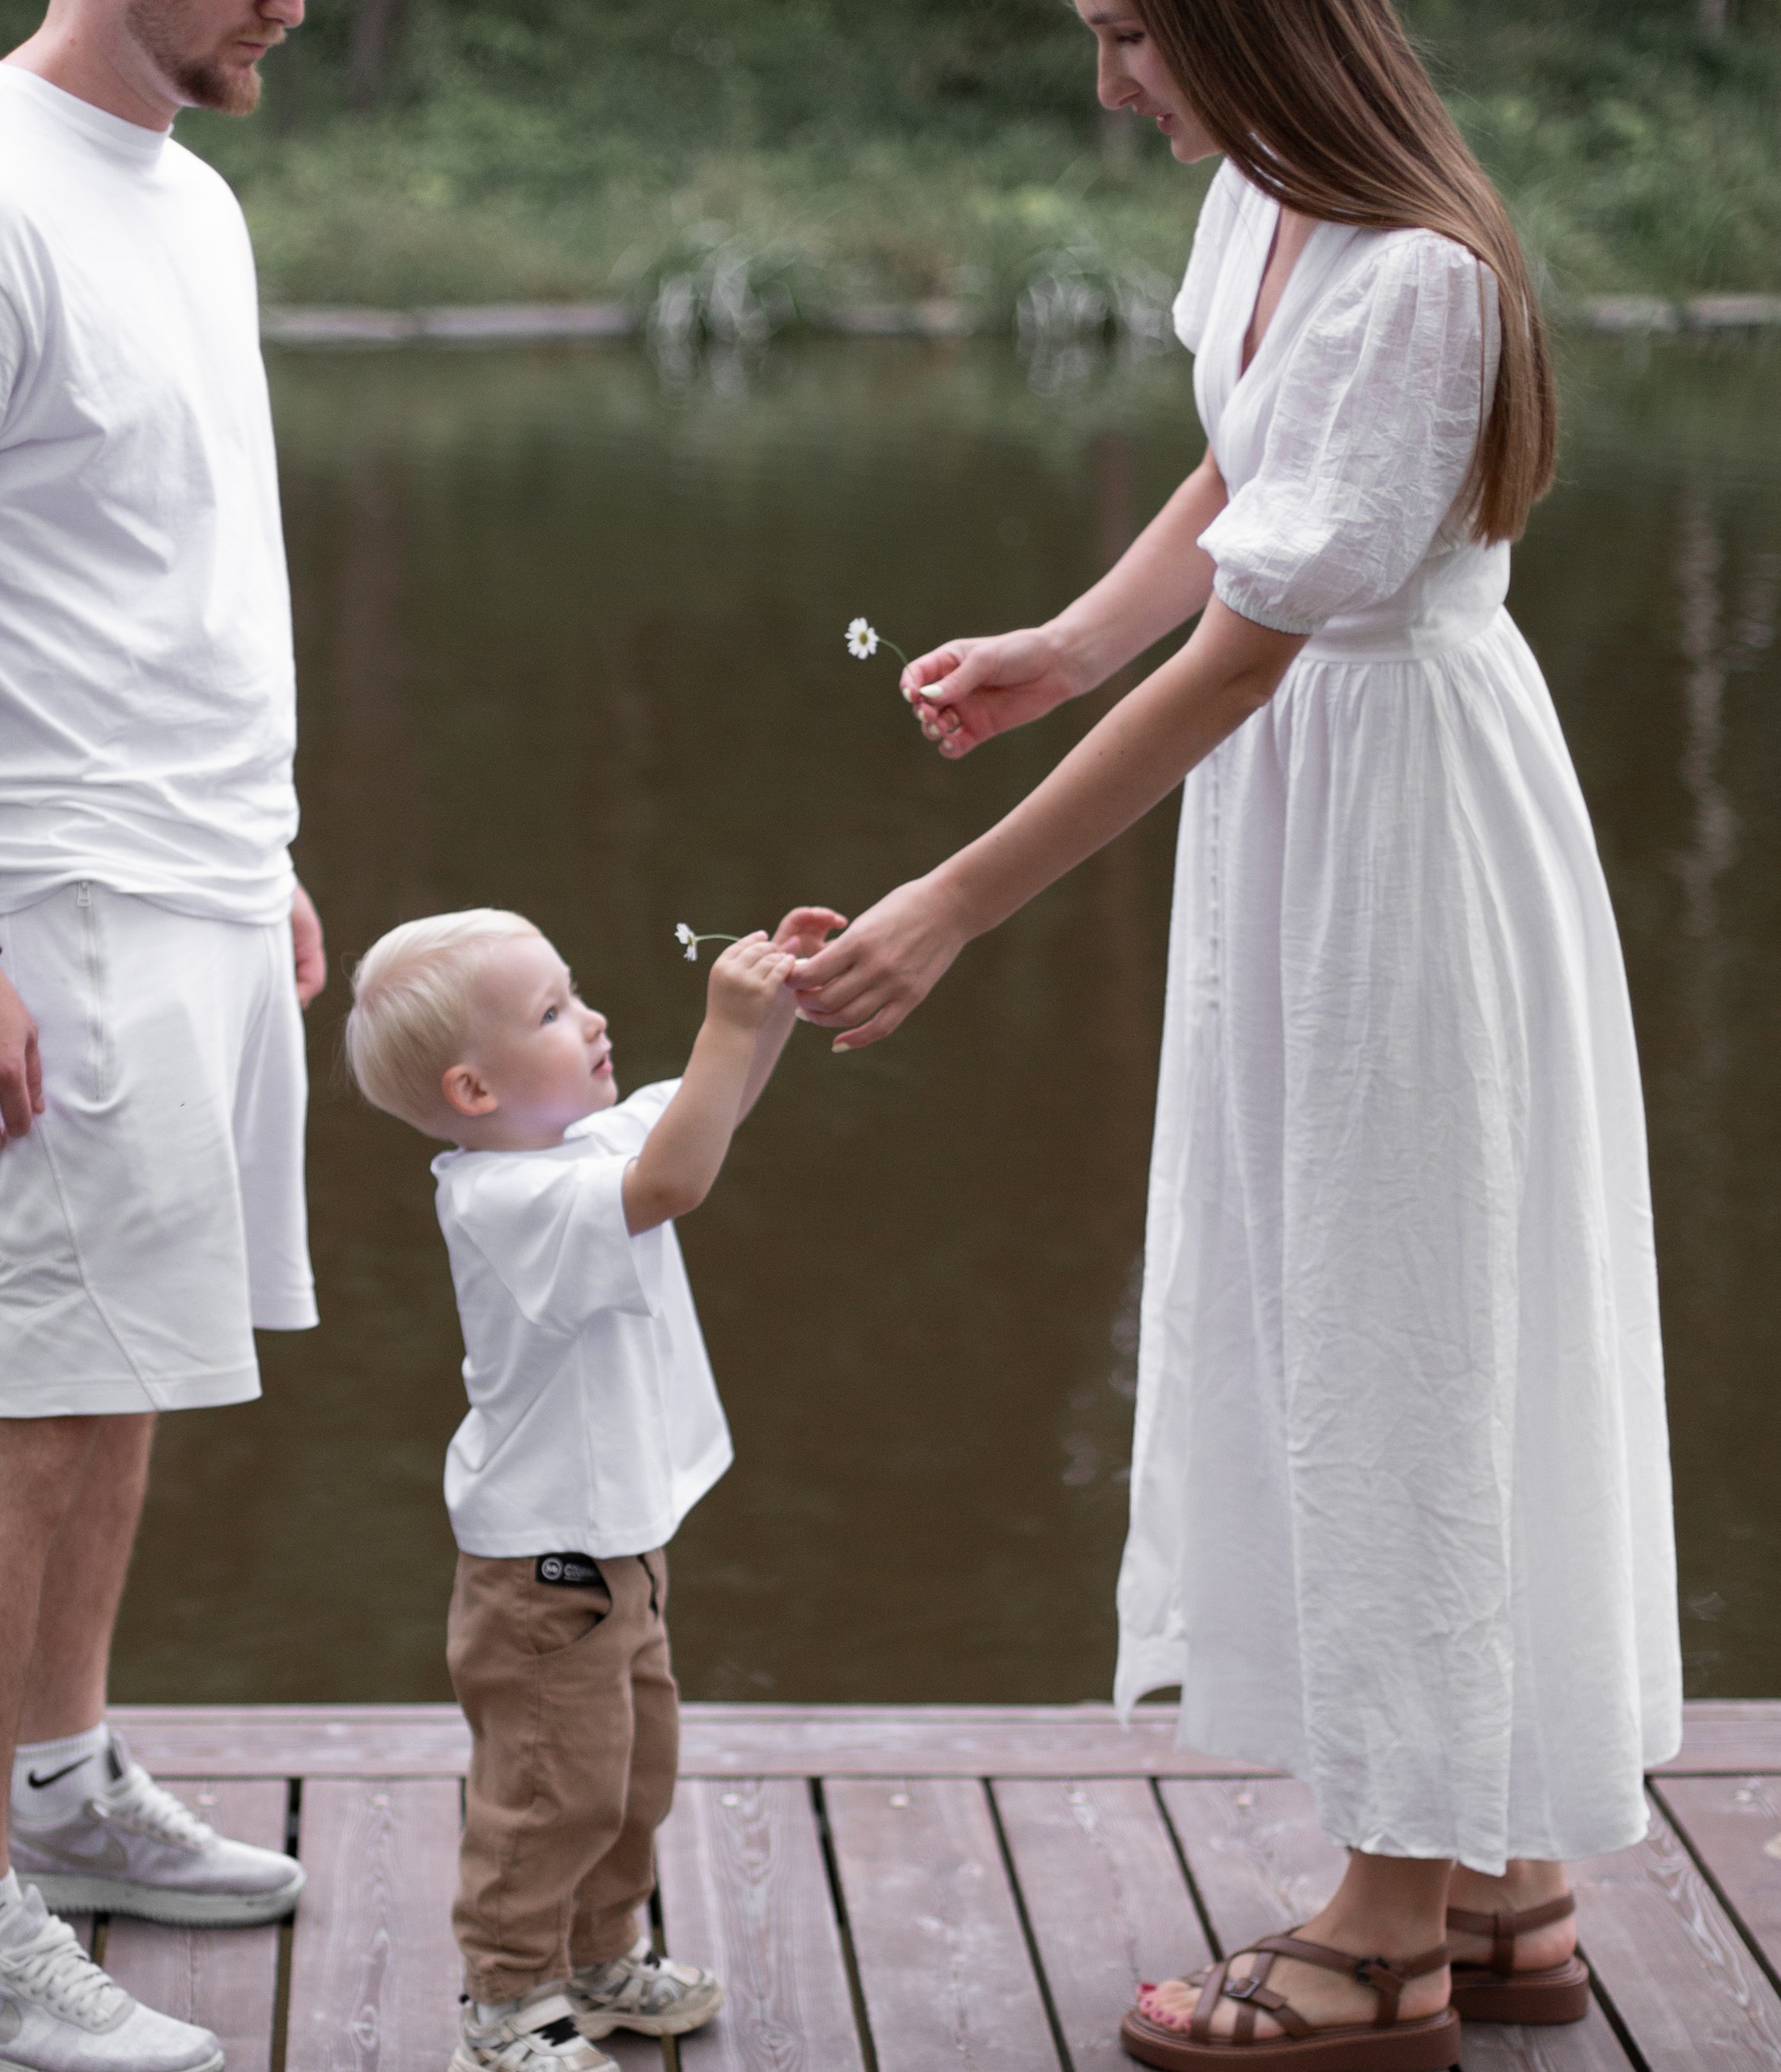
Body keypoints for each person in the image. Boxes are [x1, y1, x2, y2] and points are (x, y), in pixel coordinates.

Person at [792, 0, 1679, 2064]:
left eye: (1133, 36)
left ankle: (1384, 1928)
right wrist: (1056, 644)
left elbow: (1240, 661)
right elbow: (1238, 473)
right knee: (1333, 1301)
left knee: (1402, 1324)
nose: (1112, 86)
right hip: (1308, 818)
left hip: (1404, 827)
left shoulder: (1417, 279)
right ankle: (1490, 1872)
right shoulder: (1269, 210)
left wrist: (949, 905)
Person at [0, 6, 324, 2069]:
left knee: (117, 1374)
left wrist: (264, 845)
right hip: (50, 898)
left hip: (195, 868)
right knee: (5, 1402)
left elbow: (163, 565)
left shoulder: (187, 196)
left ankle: (65, 1790)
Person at [344, 905, 840, 2072]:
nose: (594, 1016)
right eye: (554, 1011)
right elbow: (674, 1182)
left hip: (618, 1540)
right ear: (474, 1091)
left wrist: (769, 1013)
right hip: (544, 1568)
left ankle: (601, 1957)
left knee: (630, 1772)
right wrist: (724, 1015)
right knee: (548, 1792)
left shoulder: (582, 1142)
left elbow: (696, 1122)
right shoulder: (502, 1199)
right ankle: (506, 1994)